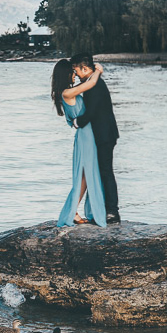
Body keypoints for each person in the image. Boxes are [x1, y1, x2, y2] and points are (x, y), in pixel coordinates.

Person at [50, 59, 106, 227]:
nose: (74, 75)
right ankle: (72, 211)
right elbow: (92, 83)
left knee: (86, 176)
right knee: (84, 176)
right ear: (65, 74)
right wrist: (98, 70)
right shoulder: (68, 93)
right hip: (86, 137)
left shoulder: (68, 92)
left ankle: (78, 210)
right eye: (72, 72)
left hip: (88, 135)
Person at [69, 53, 121, 224]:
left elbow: (91, 113)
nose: (75, 74)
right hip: (104, 133)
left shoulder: (94, 84)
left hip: (104, 135)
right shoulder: (92, 81)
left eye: (76, 70)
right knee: (103, 171)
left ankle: (112, 212)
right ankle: (105, 209)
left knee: (106, 172)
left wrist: (76, 122)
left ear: (84, 68)